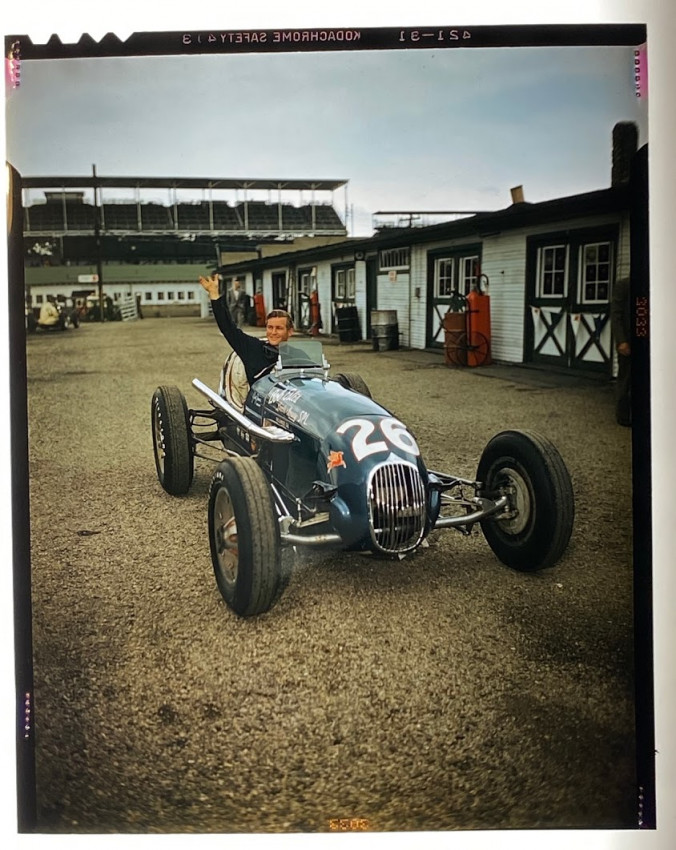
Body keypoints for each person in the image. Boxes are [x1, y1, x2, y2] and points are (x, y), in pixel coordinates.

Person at [199, 273, 294, 409]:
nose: (273, 332)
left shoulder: (298, 355)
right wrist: (214, 294)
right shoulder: (253, 348)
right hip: (260, 409)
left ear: (290, 331)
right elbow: (228, 328)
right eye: (270, 327)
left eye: (279, 328)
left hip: (292, 407)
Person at [610, 276, 631, 427]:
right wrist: (621, 340)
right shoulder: (624, 285)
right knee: (626, 379)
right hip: (628, 342)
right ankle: (623, 416)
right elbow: (616, 315)